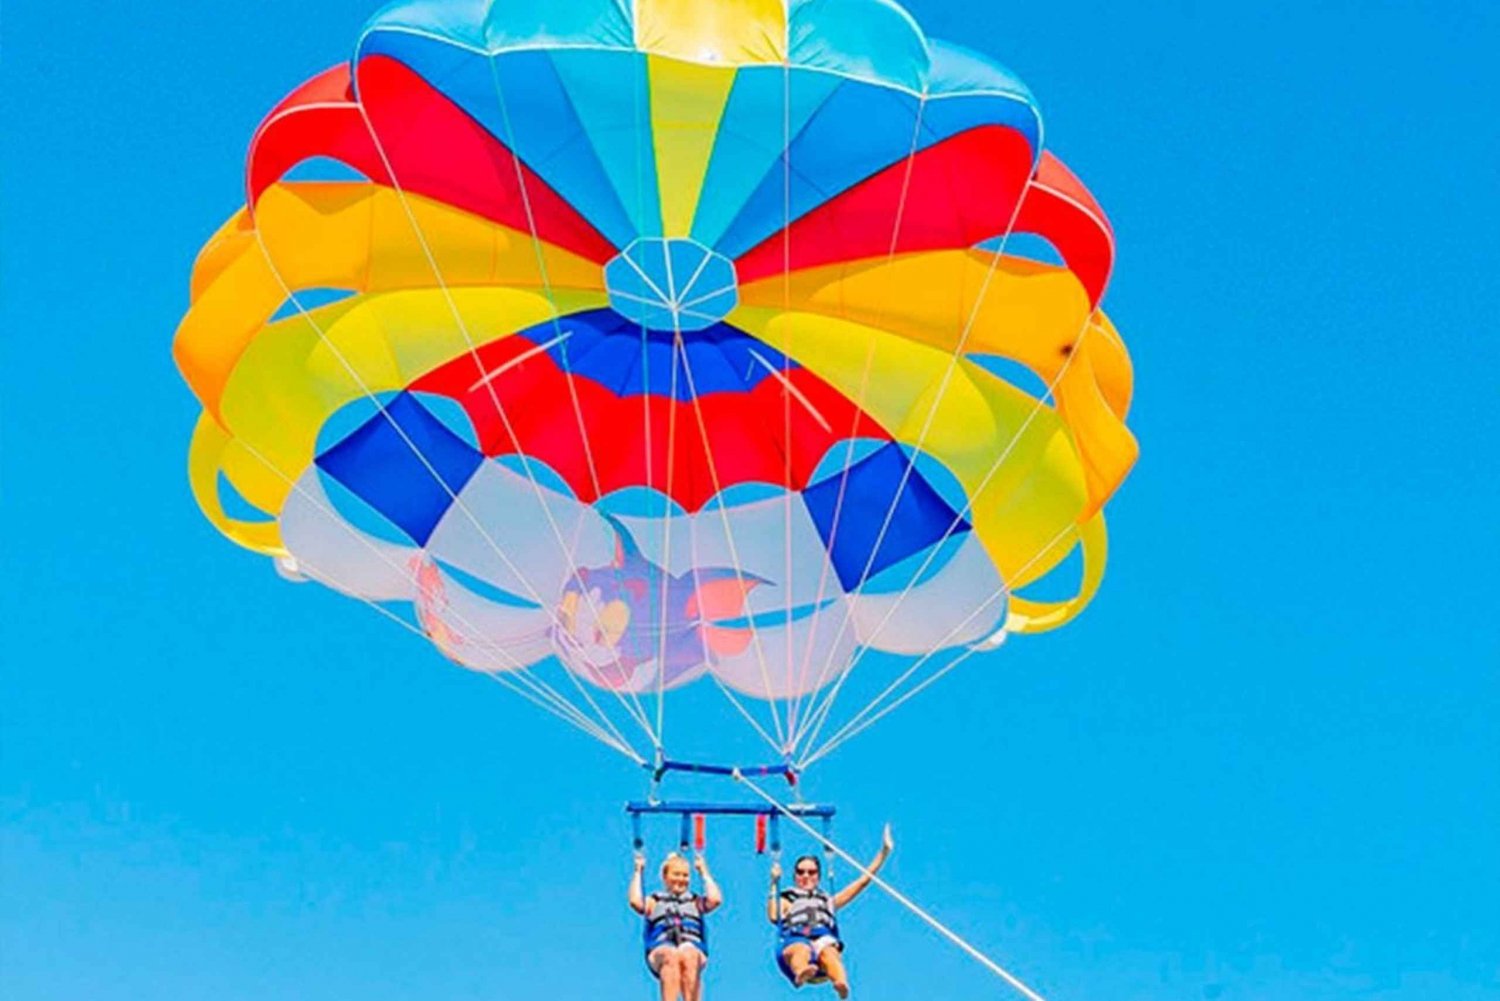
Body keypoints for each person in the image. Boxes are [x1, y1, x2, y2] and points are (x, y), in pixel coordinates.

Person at [767, 825, 894, 999]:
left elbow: (861, 883)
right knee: (801, 950)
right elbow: (774, 915)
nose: (806, 876)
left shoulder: (827, 901)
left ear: (818, 876)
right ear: (795, 875)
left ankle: (840, 983)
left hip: (822, 939)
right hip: (795, 939)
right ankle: (802, 971)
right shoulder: (787, 898)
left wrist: (883, 853)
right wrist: (774, 882)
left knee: (829, 952)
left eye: (811, 872)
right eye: (801, 872)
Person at [629, 851, 722, 1001]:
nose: (681, 879)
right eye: (676, 874)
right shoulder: (655, 901)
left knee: (689, 955)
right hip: (661, 948)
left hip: (692, 947)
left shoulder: (695, 901)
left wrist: (704, 871)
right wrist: (638, 871)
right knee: (670, 955)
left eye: (685, 875)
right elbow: (635, 902)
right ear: (665, 877)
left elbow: (715, 899)